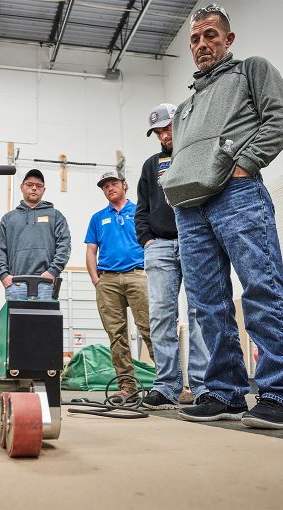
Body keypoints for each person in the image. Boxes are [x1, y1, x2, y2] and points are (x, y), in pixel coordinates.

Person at [160, 4, 283, 428]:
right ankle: (224, 392)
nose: (201, 44)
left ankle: (276, 392)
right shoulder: (186, 106)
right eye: (195, 39)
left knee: (261, 290)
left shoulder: (251, 70)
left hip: (237, 193)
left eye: (210, 35)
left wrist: (246, 162)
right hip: (190, 209)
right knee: (207, 305)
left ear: (227, 39)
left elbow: (278, 116)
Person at [135, 103, 209, 410]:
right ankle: (166, 386)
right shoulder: (152, 165)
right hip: (161, 246)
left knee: (201, 314)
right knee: (161, 317)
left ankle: (205, 387)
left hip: (195, 241)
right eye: (159, 132)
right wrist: (147, 240)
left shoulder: (197, 153)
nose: (164, 135)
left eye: (168, 128)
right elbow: (141, 209)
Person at [85, 170, 154, 398]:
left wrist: (149, 271)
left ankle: (170, 384)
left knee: (149, 329)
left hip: (137, 275)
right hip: (108, 280)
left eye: (113, 183)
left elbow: (154, 241)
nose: (109, 188)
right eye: (105, 186)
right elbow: (91, 250)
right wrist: (96, 280)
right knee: (116, 335)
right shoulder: (98, 218)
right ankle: (127, 387)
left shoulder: (140, 211)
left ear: (125, 185)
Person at [0, 169, 71, 300]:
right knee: (17, 321)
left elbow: (64, 245)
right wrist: (3, 275)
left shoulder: (55, 216)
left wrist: (53, 271)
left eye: (38, 186)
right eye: (29, 185)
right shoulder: (8, 219)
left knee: (44, 320)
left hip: (45, 283)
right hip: (16, 284)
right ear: (21, 187)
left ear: (43, 190)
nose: (34, 188)